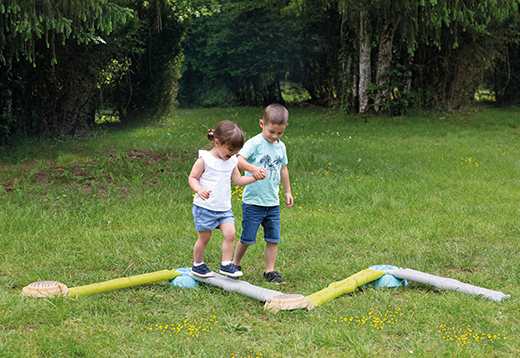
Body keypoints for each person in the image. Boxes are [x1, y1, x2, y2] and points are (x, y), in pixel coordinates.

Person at [188, 120, 265, 278]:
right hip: (205, 207)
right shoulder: (204, 160)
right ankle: (197, 265)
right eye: (230, 149)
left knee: (230, 233)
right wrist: (199, 189)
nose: (233, 154)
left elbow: (238, 180)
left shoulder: (232, 161)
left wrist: (254, 177)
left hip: (224, 208)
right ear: (217, 143)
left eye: (236, 151)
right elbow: (192, 177)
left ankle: (226, 264)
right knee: (204, 238)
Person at [232, 104, 293, 284]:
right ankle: (234, 265)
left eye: (279, 133)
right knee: (248, 238)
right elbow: (238, 160)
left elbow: (284, 169)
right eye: (271, 131)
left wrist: (287, 191)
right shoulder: (254, 143)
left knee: (273, 238)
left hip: (272, 202)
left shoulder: (281, 147)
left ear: (285, 128)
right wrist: (252, 169)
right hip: (253, 201)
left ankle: (270, 271)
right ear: (261, 124)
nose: (275, 136)